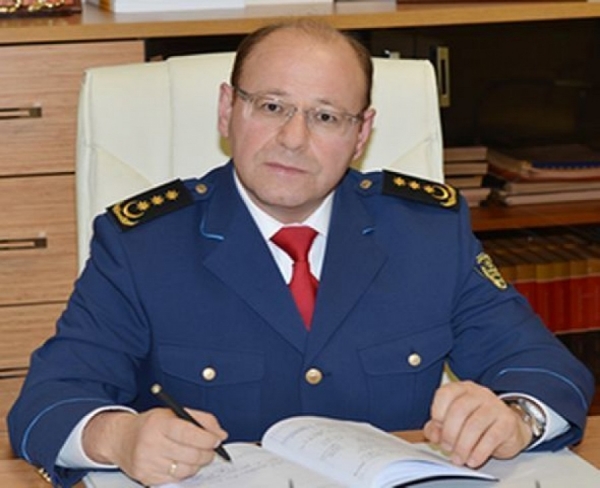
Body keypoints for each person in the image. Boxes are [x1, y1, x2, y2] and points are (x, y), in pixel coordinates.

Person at [8, 19, 594, 488]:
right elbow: (44, 405)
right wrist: (118, 437)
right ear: (227, 110)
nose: (293, 139)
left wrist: (517, 417)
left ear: (361, 134)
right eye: (271, 106)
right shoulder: (143, 245)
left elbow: (546, 369)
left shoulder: (426, 234)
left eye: (326, 116)